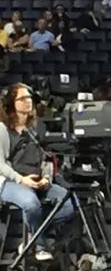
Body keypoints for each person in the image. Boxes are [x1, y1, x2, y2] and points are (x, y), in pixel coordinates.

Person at [0, 83, 74, 260]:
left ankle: (32, 237)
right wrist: (21, 180)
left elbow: (46, 158)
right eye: (22, 98)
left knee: (69, 204)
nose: (28, 102)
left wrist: (47, 178)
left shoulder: (37, 128)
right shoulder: (2, 129)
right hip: (9, 181)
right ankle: (40, 245)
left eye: (29, 98)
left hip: (37, 179)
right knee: (31, 204)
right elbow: (0, 164)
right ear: (12, 103)